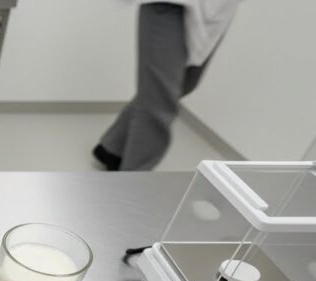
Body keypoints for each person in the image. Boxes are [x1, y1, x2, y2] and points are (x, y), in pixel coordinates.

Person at [93, 0, 242, 171]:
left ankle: (112, 147)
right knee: (159, 100)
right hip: (171, 5)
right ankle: (133, 179)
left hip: (220, 8)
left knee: (184, 84)